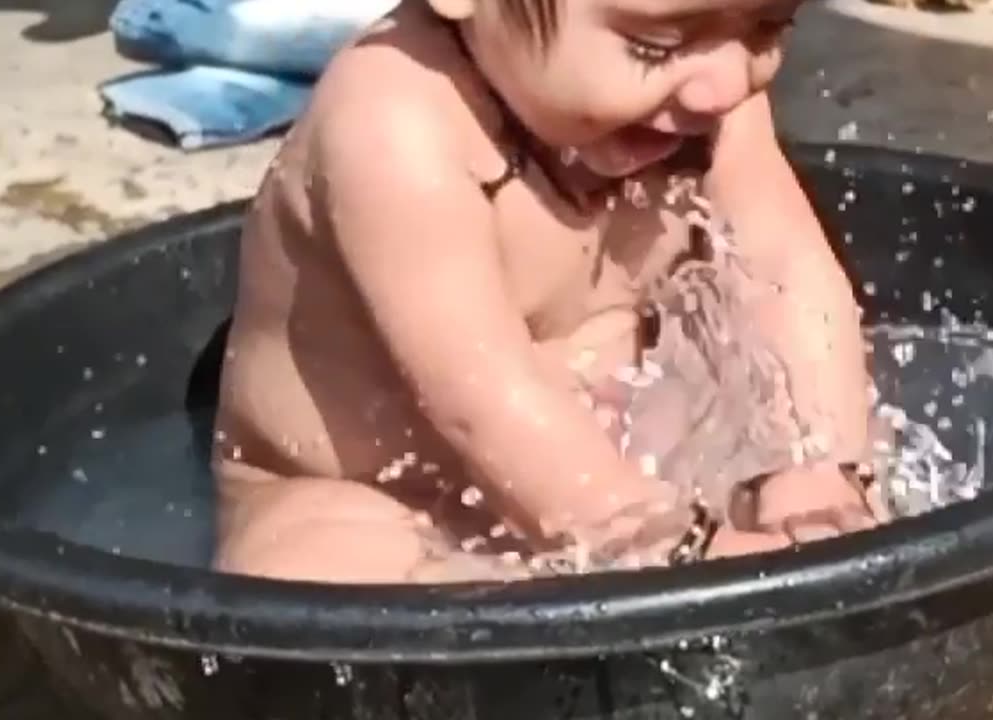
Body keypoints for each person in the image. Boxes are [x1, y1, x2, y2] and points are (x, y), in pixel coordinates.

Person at [212, 0, 883, 585]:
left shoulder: (708, 77)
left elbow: (782, 270)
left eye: (769, 26)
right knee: (314, 572)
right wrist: (661, 544)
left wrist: (819, 467)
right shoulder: (394, 125)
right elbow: (480, 398)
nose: (726, 83)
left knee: (816, 502)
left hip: (618, 458)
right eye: (655, 43)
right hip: (379, 495)